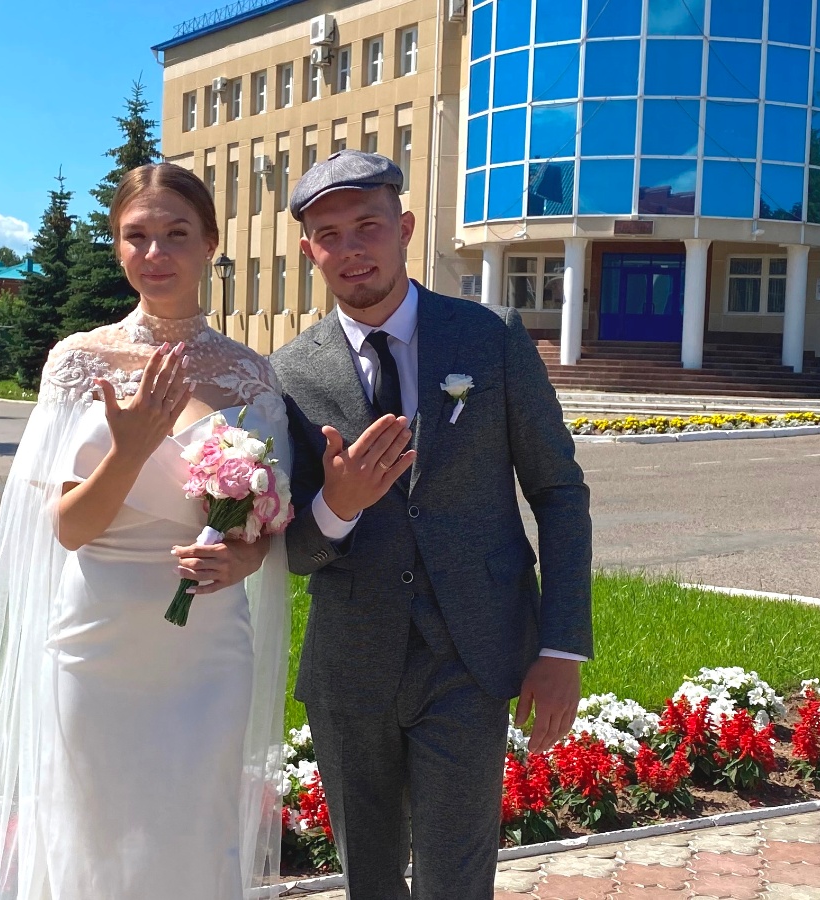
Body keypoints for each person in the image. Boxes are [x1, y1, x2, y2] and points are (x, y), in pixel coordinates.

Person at [0, 163, 292, 900]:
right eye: (136, 236)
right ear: (117, 246)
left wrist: (241, 559)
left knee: (198, 831)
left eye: (176, 234)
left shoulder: (250, 376)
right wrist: (128, 453)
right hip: (97, 642)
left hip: (207, 648)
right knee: (89, 834)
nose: (155, 253)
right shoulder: (79, 360)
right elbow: (67, 529)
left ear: (211, 243)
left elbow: (266, 522)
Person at [271, 150, 594, 900]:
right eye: (329, 235)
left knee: (456, 881)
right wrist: (339, 505)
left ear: (406, 227)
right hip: (351, 667)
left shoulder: (489, 337)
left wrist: (561, 647)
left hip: (470, 657)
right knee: (370, 883)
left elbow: (558, 491)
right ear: (309, 251)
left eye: (368, 226)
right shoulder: (287, 375)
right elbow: (293, 551)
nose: (352, 249)